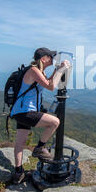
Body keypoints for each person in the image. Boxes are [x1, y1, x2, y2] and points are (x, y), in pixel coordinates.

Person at [10, 47, 70, 184]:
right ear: (43, 59)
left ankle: (18, 172)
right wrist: (61, 70)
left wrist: (56, 70)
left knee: (20, 143)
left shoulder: (38, 71)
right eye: (51, 56)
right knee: (55, 122)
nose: (53, 58)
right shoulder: (33, 70)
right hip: (26, 112)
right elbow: (51, 86)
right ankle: (40, 148)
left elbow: (48, 81)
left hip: (20, 111)